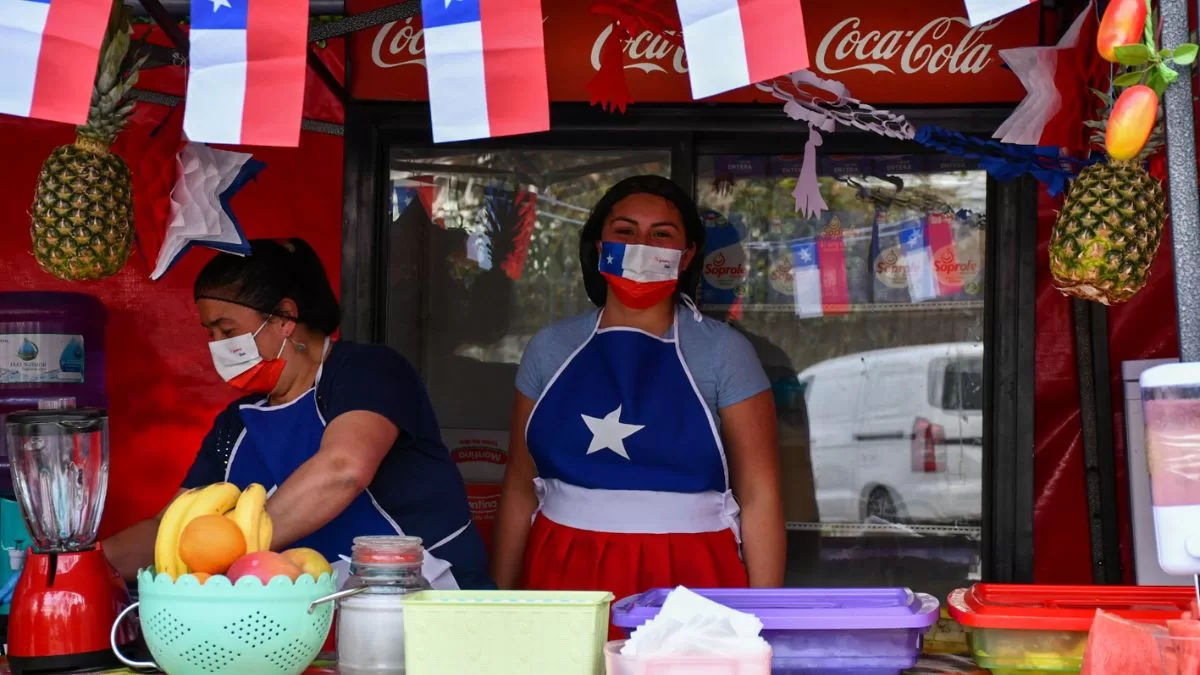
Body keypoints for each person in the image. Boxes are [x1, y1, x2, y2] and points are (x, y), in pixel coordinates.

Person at [103, 238, 492, 590]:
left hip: (426, 604)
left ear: (284, 318)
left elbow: (344, 468)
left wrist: (232, 548)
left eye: (227, 330)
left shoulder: (367, 371)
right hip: (312, 618)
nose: (216, 345)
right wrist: (89, 565)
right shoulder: (236, 423)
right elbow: (168, 528)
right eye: (210, 333)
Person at [491, 176, 786, 634]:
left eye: (661, 235)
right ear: (600, 244)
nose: (641, 246)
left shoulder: (724, 353)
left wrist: (764, 626)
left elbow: (760, 495)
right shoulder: (550, 349)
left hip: (691, 579)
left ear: (687, 254)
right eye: (625, 231)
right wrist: (495, 605)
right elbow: (519, 484)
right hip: (562, 572)